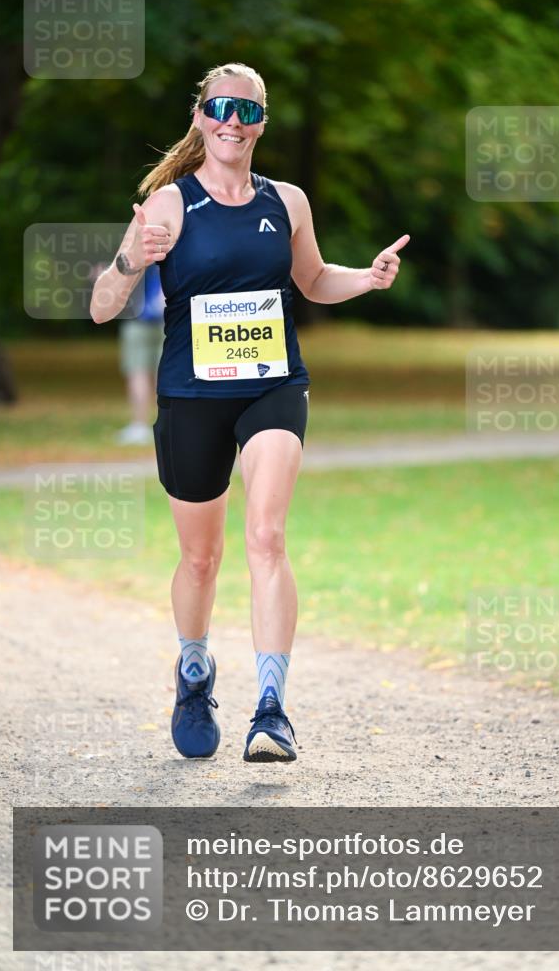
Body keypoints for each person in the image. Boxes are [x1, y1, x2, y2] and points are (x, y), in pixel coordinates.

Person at [89, 62, 409, 764]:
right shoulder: (169, 204)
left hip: (273, 386)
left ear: (262, 122)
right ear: (201, 117)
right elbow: (102, 307)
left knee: (266, 536)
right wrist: (131, 262)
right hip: (191, 395)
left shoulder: (287, 201)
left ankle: (271, 710)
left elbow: (313, 279)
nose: (232, 121)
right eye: (220, 107)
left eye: (247, 110)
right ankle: (194, 671)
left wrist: (367, 277)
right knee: (201, 558)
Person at [116, 263, 165, 445]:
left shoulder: (135, 250)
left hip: (137, 318)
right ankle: (166, 423)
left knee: (138, 372)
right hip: (169, 318)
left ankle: (140, 425)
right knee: (165, 373)